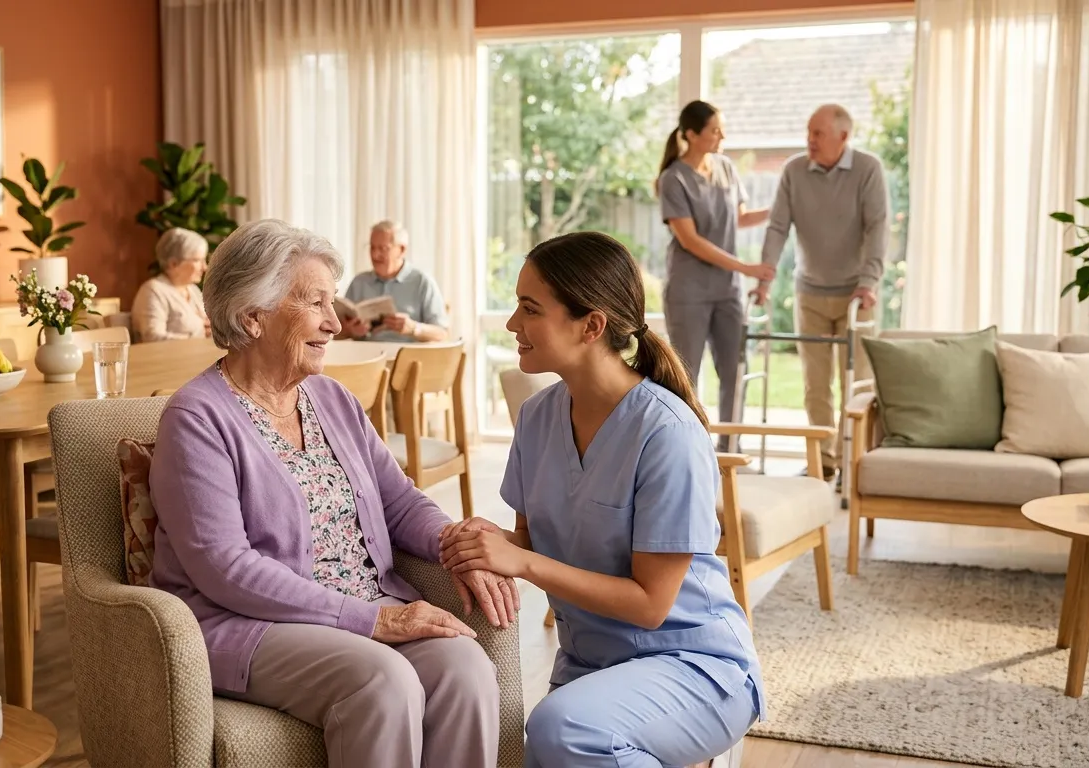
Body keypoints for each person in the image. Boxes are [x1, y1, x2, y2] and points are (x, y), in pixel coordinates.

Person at [149, 218, 515, 768]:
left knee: (465, 668)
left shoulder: (333, 400)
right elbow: (225, 567)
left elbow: (398, 499)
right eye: (315, 303)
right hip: (250, 624)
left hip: (361, 606)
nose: (334, 323)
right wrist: (373, 620)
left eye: (333, 303)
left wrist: (452, 540)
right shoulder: (197, 418)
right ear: (253, 317)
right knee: (382, 681)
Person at [439, 231, 764, 768]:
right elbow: (534, 538)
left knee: (560, 730)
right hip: (590, 668)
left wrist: (521, 560)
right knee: (553, 740)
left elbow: (651, 604)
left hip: (694, 665)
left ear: (591, 326)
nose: (511, 325)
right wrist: (487, 540)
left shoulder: (667, 432)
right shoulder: (538, 418)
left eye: (529, 309)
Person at [753, 104, 889, 481]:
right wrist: (765, 278)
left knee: (857, 384)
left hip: (857, 295)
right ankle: (823, 462)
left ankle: (852, 462)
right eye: (808, 132)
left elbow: (877, 228)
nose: (810, 140)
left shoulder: (867, 170)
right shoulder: (794, 171)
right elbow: (778, 226)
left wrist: (869, 280)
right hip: (810, 291)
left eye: (818, 134)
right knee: (815, 383)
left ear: (843, 137)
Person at [657, 100, 775, 434]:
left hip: (727, 292)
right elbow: (690, 240)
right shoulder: (673, 179)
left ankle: (731, 450)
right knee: (686, 375)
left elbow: (739, 218)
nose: (721, 135)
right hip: (688, 291)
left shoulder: (725, 168)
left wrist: (778, 210)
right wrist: (745, 267)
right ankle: (685, 448)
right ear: (692, 135)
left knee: (736, 370)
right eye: (714, 130)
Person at [340, 220, 451, 343]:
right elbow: (337, 333)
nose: (375, 255)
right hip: (366, 358)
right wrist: (350, 331)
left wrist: (413, 328)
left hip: (408, 359)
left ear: (401, 250)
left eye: (383, 248)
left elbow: (442, 333)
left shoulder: (422, 282)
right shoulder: (359, 282)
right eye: (372, 247)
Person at [132, 227, 211, 342]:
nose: (205, 267)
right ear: (173, 263)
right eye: (198, 261)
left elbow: (205, 328)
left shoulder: (192, 290)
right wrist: (196, 341)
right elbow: (152, 338)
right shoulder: (153, 290)